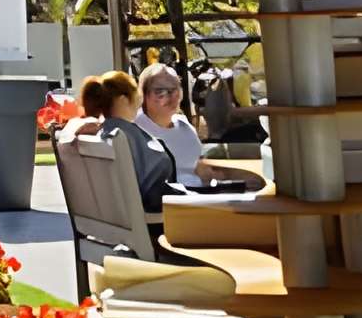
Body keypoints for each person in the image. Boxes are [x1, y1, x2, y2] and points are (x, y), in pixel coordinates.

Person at [131, 61, 258, 192]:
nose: (172, 96)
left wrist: (227, 178)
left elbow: (198, 167)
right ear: (144, 95)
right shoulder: (135, 130)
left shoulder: (184, 126)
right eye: (161, 91)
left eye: (175, 89)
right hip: (173, 200)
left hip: (201, 193)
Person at [69, 69, 177, 215]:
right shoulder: (123, 136)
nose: (138, 104)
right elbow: (159, 169)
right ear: (123, 100)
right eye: (136, 97)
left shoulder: (104, 133)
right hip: (148, 213)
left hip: (112, 215)